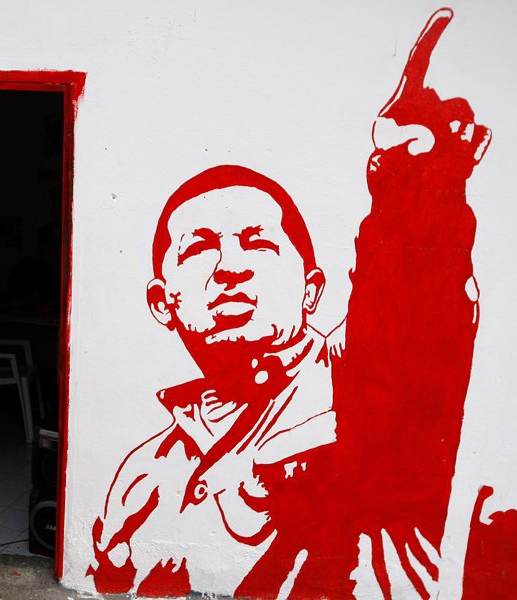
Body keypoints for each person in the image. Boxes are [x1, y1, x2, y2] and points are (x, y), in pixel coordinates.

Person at [89, 8, 491, 599]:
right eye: (200, 249)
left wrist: (416, 176)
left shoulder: (358, 383)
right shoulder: (143, 474)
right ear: (162, 302)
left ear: (312, 289)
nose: (230, 266)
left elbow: (417, 299)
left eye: (258, 243)